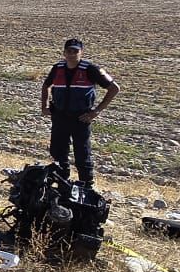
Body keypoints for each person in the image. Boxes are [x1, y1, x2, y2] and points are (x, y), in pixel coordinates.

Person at [39, 37, 121, 189]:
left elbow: (114, 88)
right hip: (59, 117)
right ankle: (62, 184)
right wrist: (44, 106)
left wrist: (96, 111)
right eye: (69, 51)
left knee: (82, 155)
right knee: (58, 153)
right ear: (64, 53)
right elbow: (46, 85)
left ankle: (86, 187)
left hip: (81, 119)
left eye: (75, 51)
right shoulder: (57, 68)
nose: (71, 54)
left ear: (81, 52)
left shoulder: (91, 69)